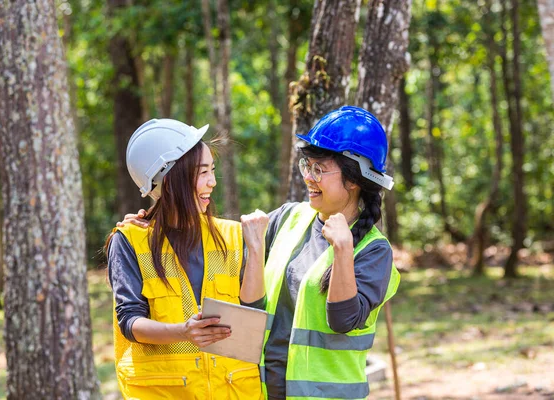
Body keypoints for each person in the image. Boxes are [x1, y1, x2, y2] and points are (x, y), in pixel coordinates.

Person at [121, 106, 400, 400]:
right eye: (308, 166)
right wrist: (155, 221)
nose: (309, 177)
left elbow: (343, 321)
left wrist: (343, 250)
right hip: (265, 391)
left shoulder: (373, 250)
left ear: (354, 179)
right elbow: (224, 252)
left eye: (320, 169)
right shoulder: (290, 218)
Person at [105, 118, 265, 399]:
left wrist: (256, 249)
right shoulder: (130, 240)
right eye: (202, 173)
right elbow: (130, 321)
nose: (212, 182)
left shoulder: (231, 234)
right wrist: (183, 332)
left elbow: (252, 307)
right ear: (169, 178)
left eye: (212, 171)